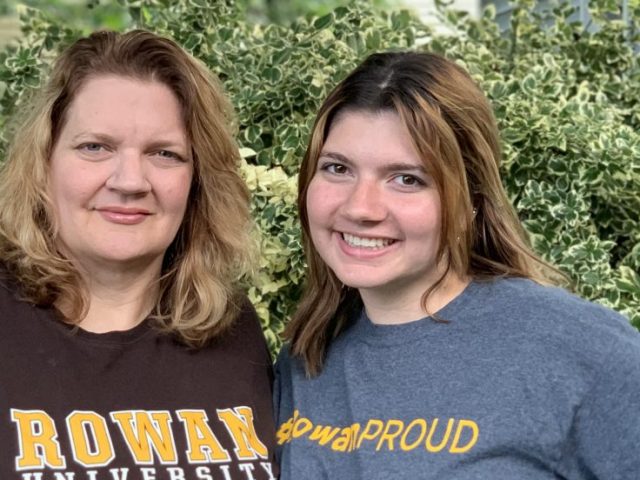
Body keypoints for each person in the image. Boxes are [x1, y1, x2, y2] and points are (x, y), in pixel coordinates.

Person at [274, 51, 640, 479]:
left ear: (471, 201)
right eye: (338, 168)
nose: (361, 207)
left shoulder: (579, 350)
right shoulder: (306, 355)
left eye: (407, 179)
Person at [0, 30, 277, 479]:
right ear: (44, 162)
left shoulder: (229, 327)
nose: (130, 181)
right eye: (95, 147)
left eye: (164, 154)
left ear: (197, 181)